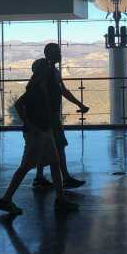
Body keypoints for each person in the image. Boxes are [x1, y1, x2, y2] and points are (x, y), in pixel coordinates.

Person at [0, 59, 79, 215]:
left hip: (43, 130)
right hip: (38, 132)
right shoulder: (35, 88)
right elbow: (19, 104)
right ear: (42, 71)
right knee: (25, 167)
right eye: (47, 69)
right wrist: (31, 126)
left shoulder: (40, 86)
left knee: (54, 162)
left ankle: (60, 199)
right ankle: (5, 199)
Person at [32, 43, 90, 190]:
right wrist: (79, 104)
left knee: (45, 146)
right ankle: (65, 178)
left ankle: (39, 177)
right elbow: (61, 91)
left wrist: (79, 104)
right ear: (49, 54)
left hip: (48, 114)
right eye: (57, 52)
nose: (60, 55)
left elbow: (63, 91)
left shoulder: (51, 71)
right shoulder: (51, 72)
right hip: (51, 115)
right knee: (59, 145)